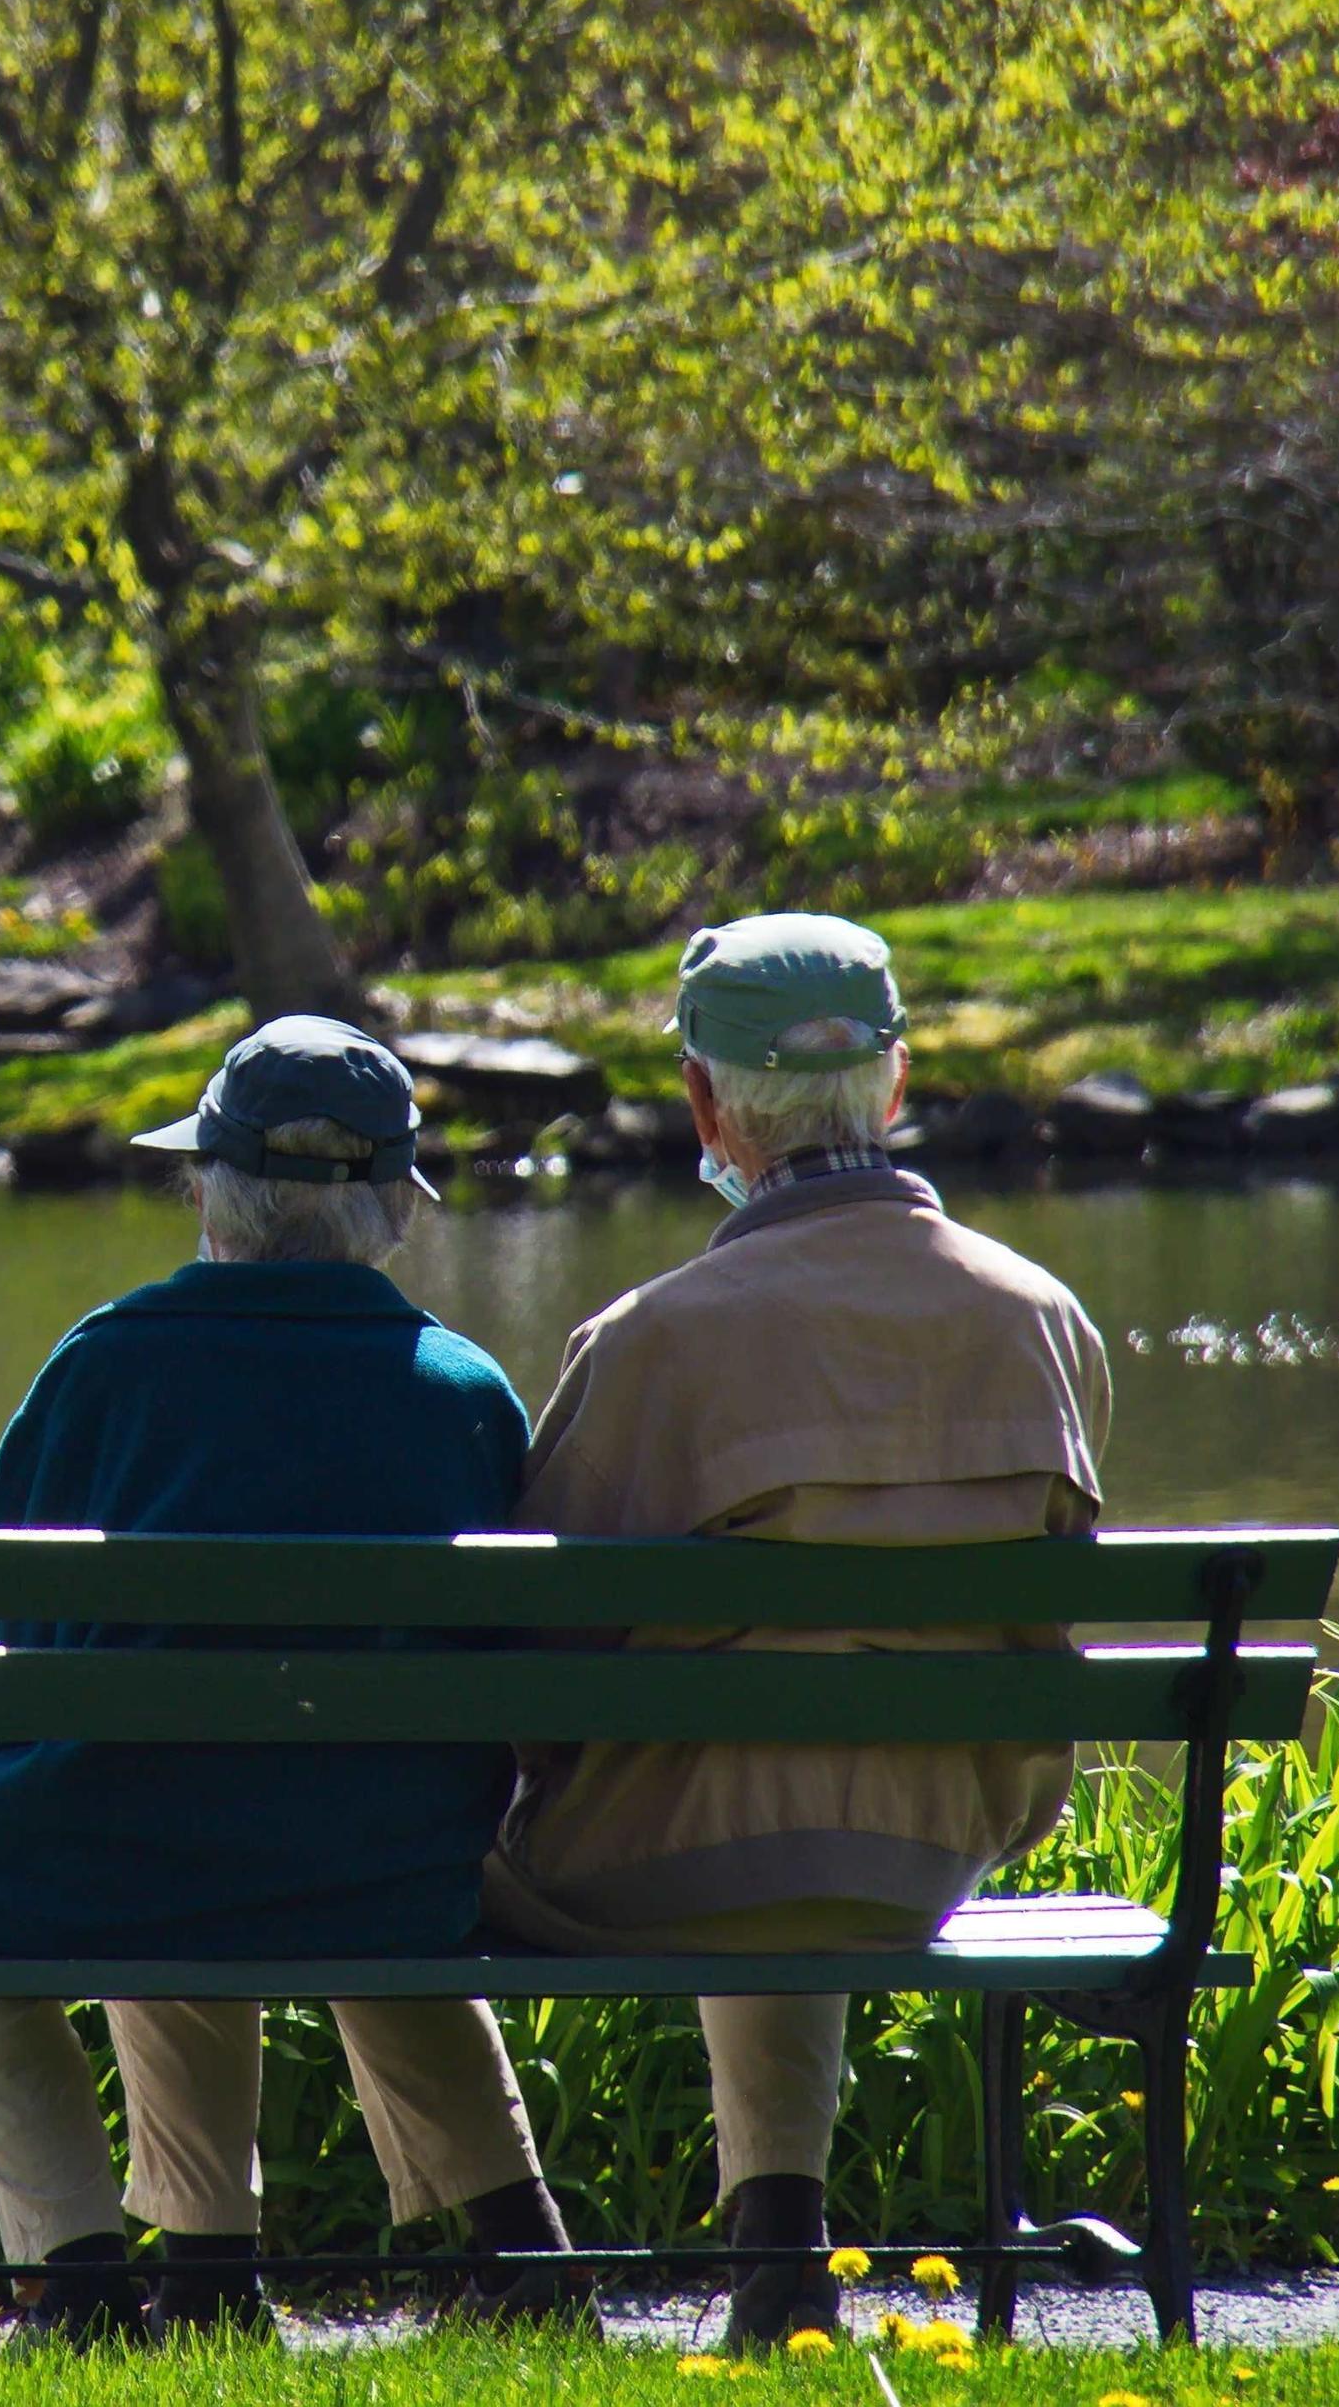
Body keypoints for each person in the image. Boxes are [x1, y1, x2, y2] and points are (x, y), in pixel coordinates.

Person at [483, 914, 1110, 2353]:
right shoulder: (1044, 1319)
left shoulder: (654, 1338)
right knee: (797, 1762)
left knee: (734, 1773)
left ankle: (509, 2265)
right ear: (895, 1085)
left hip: (660, 1869)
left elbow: (536, 1659)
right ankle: (780, 2257)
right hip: (931, 1849)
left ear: (707, 1105)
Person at [0, 1014, 579, 2346]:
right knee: (279, 1829)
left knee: (29, 1879)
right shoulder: (462, 1390)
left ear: (209, 1185)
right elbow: (517, 1668)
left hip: (125, 1849)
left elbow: (3, 1646)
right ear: (391, 1209)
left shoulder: (105, 1364)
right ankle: (501, 2257)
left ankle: (85, 2278)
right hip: (385, 1870)